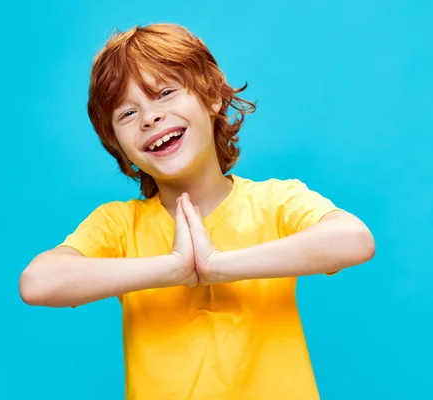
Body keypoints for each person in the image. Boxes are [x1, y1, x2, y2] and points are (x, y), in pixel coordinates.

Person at [19, 23, 375, 400]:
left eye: (166, 93)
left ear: (210, 97)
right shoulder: (119, 225)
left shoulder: (275, 201)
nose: (149, 118)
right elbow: (38, 282)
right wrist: (173, 267)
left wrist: (217, 265)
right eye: (127, 114)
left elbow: (353, 240)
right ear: (118, 145)